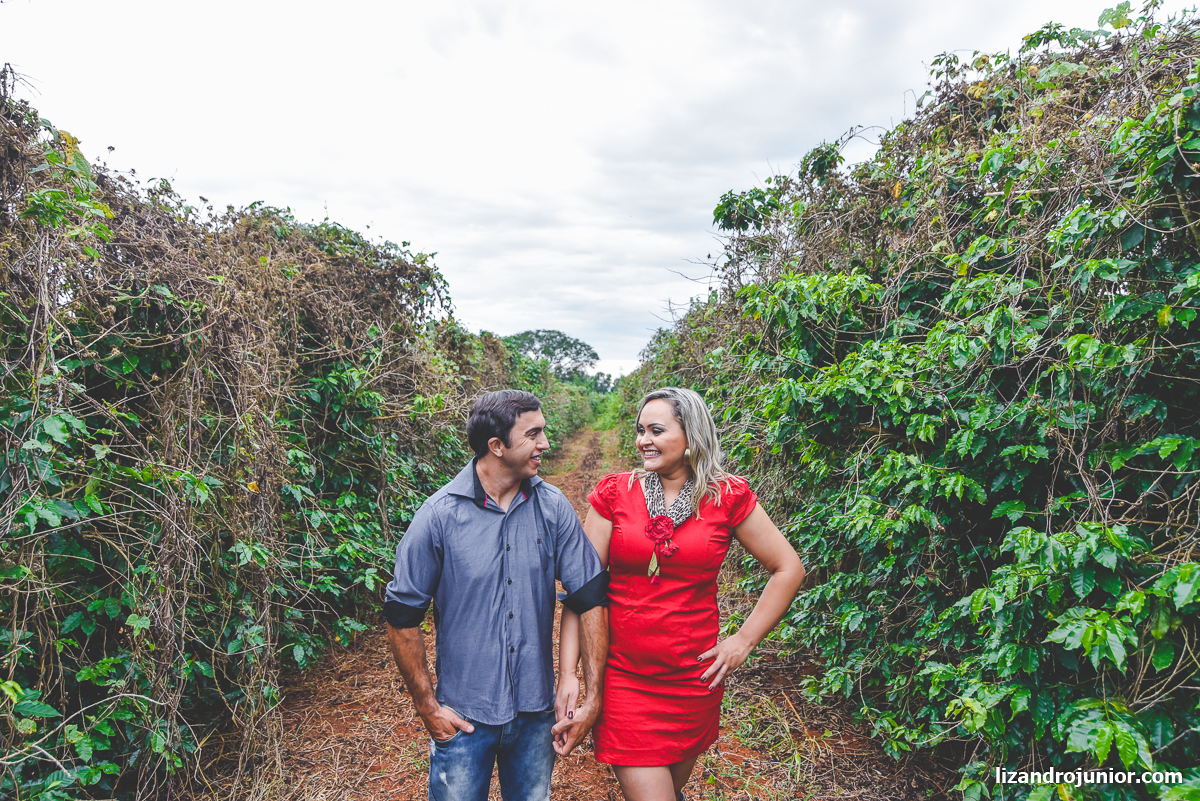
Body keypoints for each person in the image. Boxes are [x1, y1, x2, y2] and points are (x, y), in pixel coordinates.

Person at [557, 387, 805, 801]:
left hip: (693, 680)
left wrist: (743, 641)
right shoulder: (616, 493)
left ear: (691, 435)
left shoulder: (727, 495)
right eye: (640, 430)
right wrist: (570, 674)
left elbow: (788, 568)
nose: (643, 440)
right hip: (625, 676)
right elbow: (582, 591)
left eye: (656, 430)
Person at [384, 389, 610, 801]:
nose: (545, 444)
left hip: (535, 715)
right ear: (497, 446)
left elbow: (591, 595)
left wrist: (591, 694)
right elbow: (402, 615)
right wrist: (427, 705)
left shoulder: (553, 507)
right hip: (465, 718)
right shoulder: (438, 516)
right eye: (534, 434)